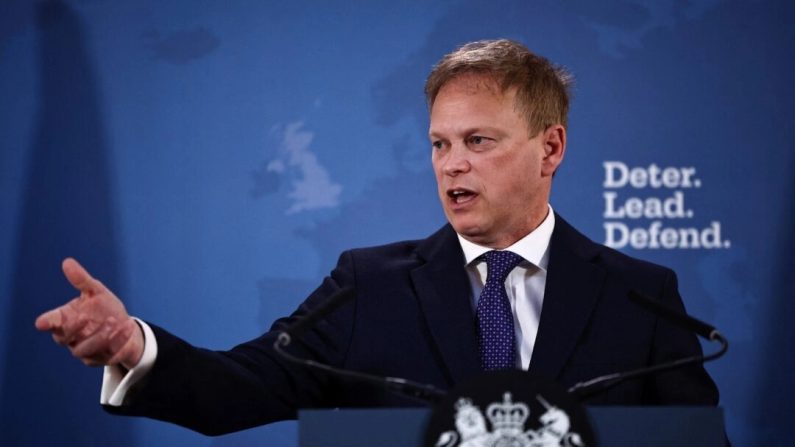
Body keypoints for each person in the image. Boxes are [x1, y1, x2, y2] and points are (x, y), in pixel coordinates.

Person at [36, 39, 719, 436]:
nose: (452, 163)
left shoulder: (638, 296)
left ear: (550, 148)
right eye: (439, 143)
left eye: (478, 141)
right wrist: (135, 345)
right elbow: (240, 387)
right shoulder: (369, 287)